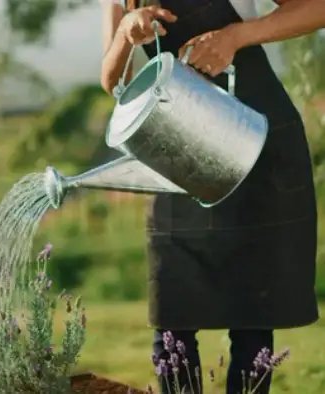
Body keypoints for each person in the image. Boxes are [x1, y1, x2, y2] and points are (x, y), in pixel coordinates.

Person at [98, 0, 325, 393]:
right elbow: (110, 79)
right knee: (172, 314)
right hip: (173, 151)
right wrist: (124, 35)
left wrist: (236, 36)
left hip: (251, 142)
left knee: (252, 318)